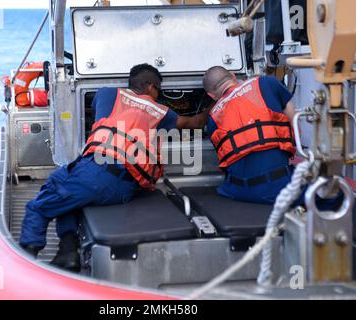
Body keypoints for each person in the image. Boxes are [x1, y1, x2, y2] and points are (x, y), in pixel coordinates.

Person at [20, 63, 210, 271]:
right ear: (150, 87)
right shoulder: (162, 113)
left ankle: (26, 265)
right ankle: (67, 254)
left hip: (96, 174)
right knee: (69, 200)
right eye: (159, 90)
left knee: (39, 206)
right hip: (124, 189)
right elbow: (196, 122)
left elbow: (99, 117)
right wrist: (214, 105)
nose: (159, 95)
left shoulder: (108, 94)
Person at [203, 66, 297, 204]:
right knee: (331, 195)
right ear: (233, 76)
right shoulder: (267, 83)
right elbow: (295, 124)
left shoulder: (212, 119)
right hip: (280, 187)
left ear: (211, 95)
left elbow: (226, 162)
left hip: (240, 191)